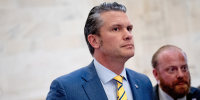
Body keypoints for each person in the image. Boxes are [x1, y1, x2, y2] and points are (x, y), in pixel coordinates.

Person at [46, 2, 153, 100]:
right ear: (94, 41)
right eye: (116, 29)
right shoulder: (66, 89)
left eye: (129, 28)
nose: (129, 35)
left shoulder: (144, 83)